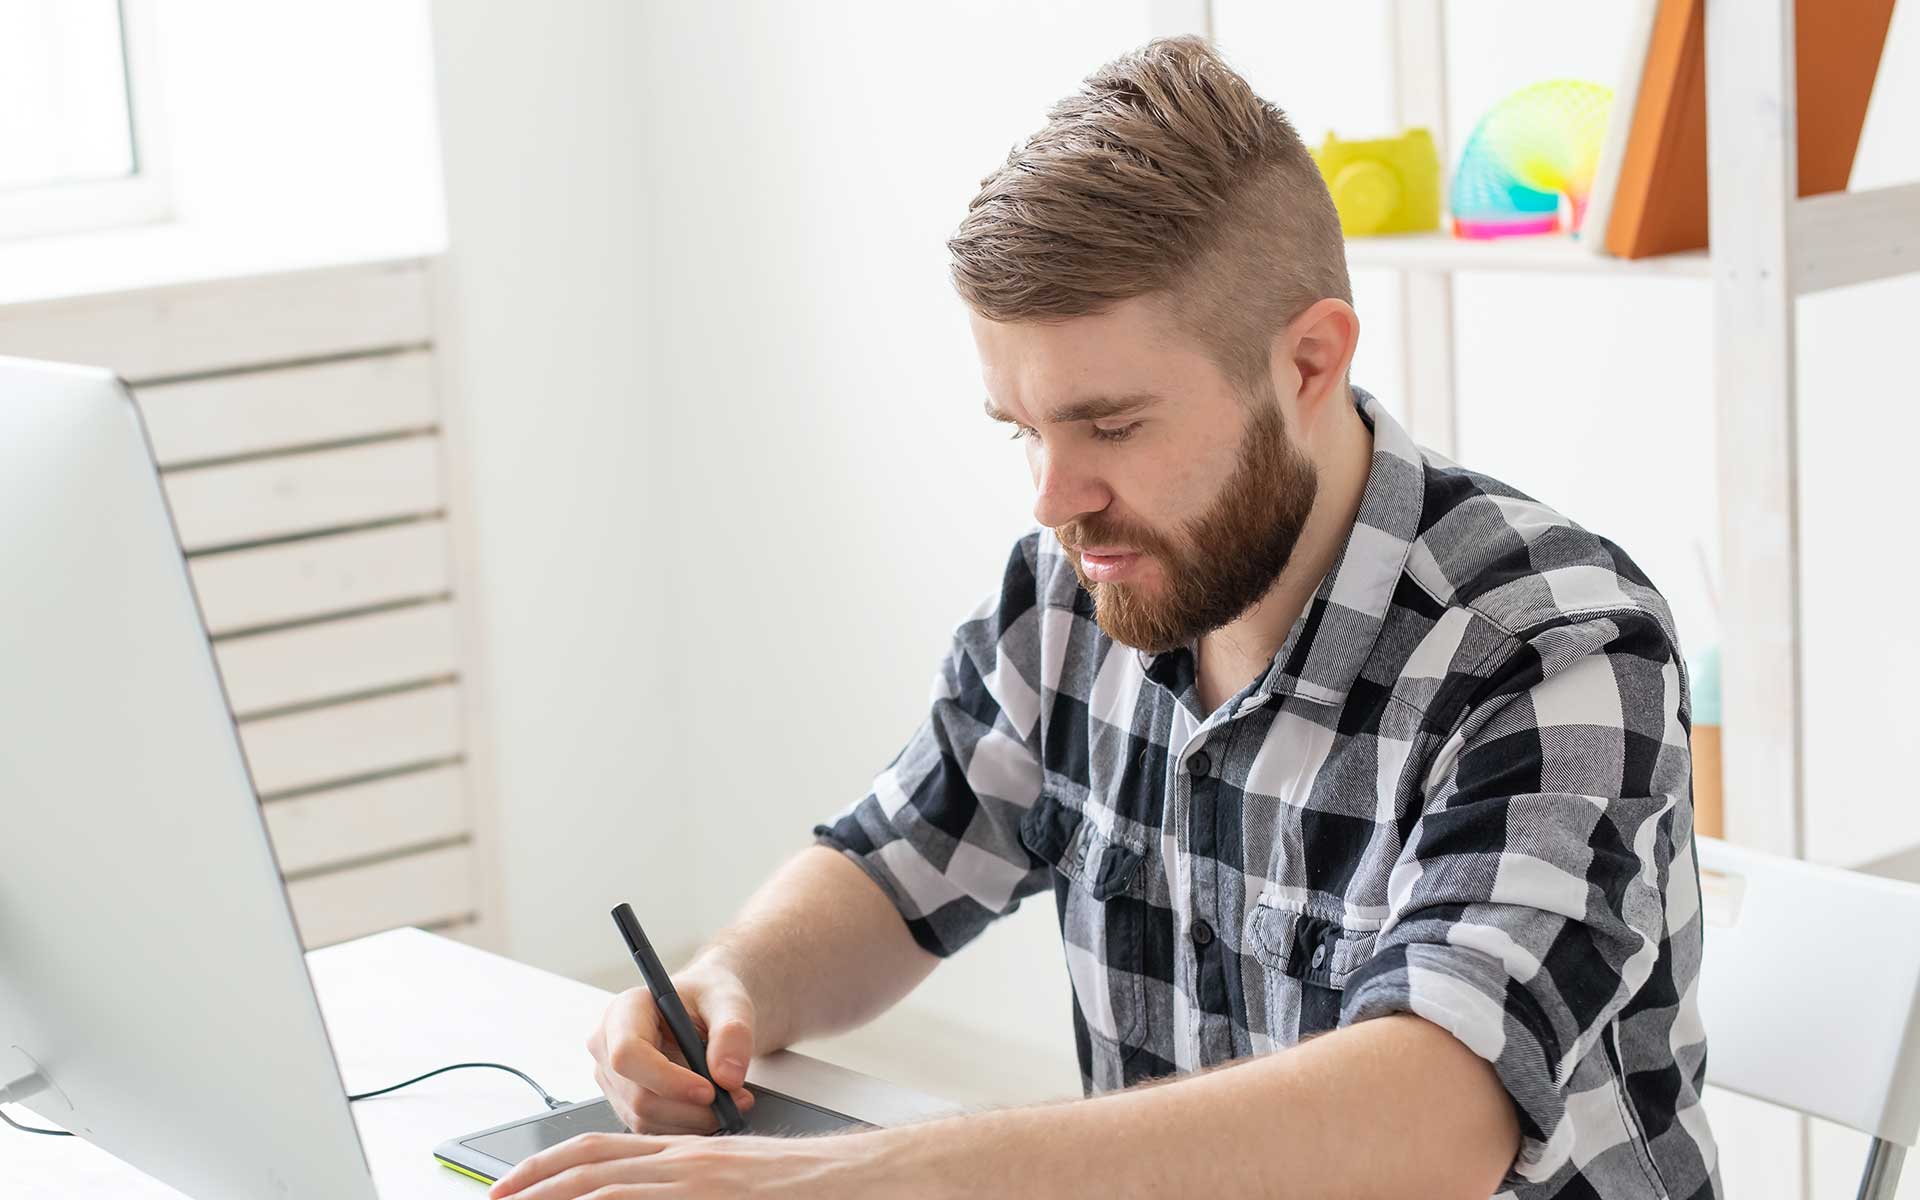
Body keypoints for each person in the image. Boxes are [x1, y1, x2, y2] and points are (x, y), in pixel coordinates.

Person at [490, 35, 1721, 1200]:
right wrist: (727, 983)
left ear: (1308, 361)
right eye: (1024, 430)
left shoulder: (1554, 649)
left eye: (1113, 426)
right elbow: (896, 862)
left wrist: (878, 1175)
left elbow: (1432, 1116)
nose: (1054, 498)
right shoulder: (1077, 590)